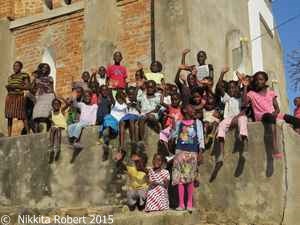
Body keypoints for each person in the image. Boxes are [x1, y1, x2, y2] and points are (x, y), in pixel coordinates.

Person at [242, 71, 300, 160]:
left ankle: (297, 135)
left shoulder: (271, 93)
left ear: (265, 81)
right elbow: (244, 103)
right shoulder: (252, 94)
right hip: (261, 115)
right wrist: (245, 86)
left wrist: (275, 113)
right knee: (270, 117)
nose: (258, 82)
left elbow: (277, 108)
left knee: (295, 120)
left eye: (261, 79)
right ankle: (274, 147)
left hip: (273, 114)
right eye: (256, 80)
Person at [211, 67, 248, 181]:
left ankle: (244, 148)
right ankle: (221, 155)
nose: (232, 89)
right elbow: (218, 87)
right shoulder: (227, 98)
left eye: (234, 87)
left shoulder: (240, 98)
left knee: (243, 120)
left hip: (238, 117)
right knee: (221, 125)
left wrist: (244, 85)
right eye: (230, 88)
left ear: (238, 88)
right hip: (228, 119)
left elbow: (245, 105)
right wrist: (222, 73)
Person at [171, 104, 204, 212]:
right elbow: (173, 135)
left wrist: (200, 152)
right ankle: (181, 204)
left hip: (192, 153)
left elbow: (200, 138)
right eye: (192, 108)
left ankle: (189, 203)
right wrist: (172, 134)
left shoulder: (197, 123)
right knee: (180, 179)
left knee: (190, 179)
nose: (194, 110)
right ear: (185, 110)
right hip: (180, 152)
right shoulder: (179, 123)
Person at [100, 90, 128, 161]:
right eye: (118, 97)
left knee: (120, 128)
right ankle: (105, 145)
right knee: (107, 118)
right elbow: (111, 97)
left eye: (122, 97)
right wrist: (110, 88)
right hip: (112, 121)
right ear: (116, 98)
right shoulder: (115, 103)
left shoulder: (125, 105)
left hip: (119, 123)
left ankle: (121, 150)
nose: (120, 99)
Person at [5, 61, 30, 136]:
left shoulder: (24, 75)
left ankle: (28, 132)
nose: (15, 67)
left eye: (17, 66)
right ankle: (9, 135)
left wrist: (16, 87)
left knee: (22, 115)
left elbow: (28, 87)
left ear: (21, 67)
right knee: (9, 115)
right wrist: (9, 88)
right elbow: (10, 86)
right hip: (10, 97)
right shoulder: (10, 77)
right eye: (14, 66)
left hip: (19, 97)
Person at [32, 63, 55, 132]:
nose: (45, 69)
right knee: (36, 115)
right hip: (39, 97)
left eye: (47, 68)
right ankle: (36, 134)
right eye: (43, 67)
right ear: (40, 69)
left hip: (48, 96)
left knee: (47, 115)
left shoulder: (50, 78)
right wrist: (34, 79)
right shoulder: (36, 79)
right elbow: (32, 88)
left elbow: (51, 88)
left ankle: (48, 132)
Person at [48, 98, 69, 163]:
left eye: (57, 104)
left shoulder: (61, 110)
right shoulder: (51, 113)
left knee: (57, 129)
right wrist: (51, 121)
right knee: (53, 128)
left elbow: (67, 104)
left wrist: (61, 98)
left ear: (60, 105)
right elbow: (50, 119)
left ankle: (58, 147)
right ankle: (51, 147)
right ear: (52, 105)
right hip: (55, 128)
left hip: (62, 127)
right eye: (54, 104)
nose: (56, 105)